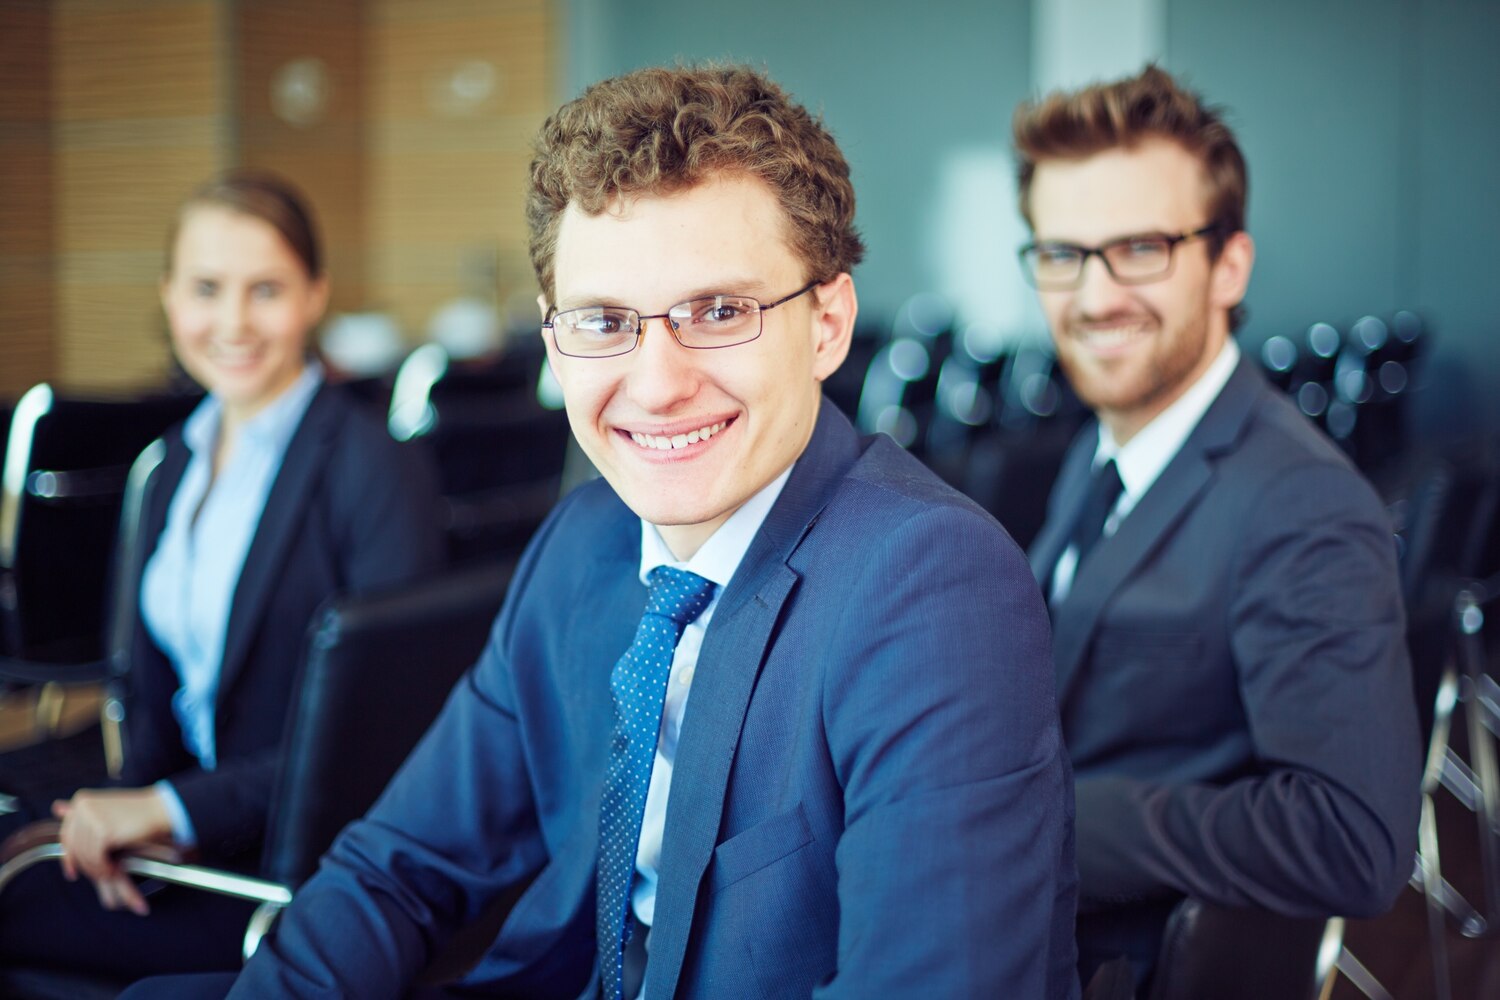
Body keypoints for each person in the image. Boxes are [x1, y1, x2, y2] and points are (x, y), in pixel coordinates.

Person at [131, 65, 1078, 999]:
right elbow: (398, 866)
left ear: (826, 324)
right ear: (554, 341)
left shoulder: (932, 584)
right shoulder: (581, 544)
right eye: (604, 321)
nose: (657, 385)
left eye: (720, 311)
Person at [1012, 66, 1421, 988]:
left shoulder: (1299, 502)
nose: (1094, 297)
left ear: (1229, 264)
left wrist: (1059, 819)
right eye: (1062, 253)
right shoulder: (1100, 450)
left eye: (1141, 248)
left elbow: (1355, 837)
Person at [0, 172, 446, 979]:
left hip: (301, 875)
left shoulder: (375, 470)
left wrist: (172, 808)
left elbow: (385, 741)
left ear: (314, 296)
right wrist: (133, 816)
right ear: (169, 297)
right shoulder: (173, 462)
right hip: (188, 845)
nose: (233, 322)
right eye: (207, 289)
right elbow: (154, 701)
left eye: (265, 290)